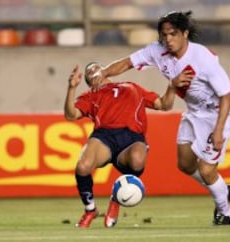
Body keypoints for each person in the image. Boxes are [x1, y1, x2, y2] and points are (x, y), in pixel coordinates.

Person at [93, 11, 230, 225]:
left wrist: (218, 130)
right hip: (195, 113)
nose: (168, 39)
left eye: (173, 34)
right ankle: (223, 190)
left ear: (185, 34)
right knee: (185, 165)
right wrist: (104, 72)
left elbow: (226, 95)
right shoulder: (157, 51)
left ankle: (225, 212)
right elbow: (127, 63)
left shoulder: (203, 59)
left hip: (218, 113)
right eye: (165, 35)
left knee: (207, 170)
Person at [64, 62, 176, 228]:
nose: (93, 70)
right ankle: (90, 210)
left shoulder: (132, 87)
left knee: (137, 160)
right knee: (83, 166)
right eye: (89, 71)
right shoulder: (91, 95)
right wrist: (71, 88)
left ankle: (116, 198)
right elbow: (71, 115)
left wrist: (172, 85)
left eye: (96, 67)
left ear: (105, 71)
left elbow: (164, 104)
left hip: (132, 137)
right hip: (104, 136)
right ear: (88, 80)